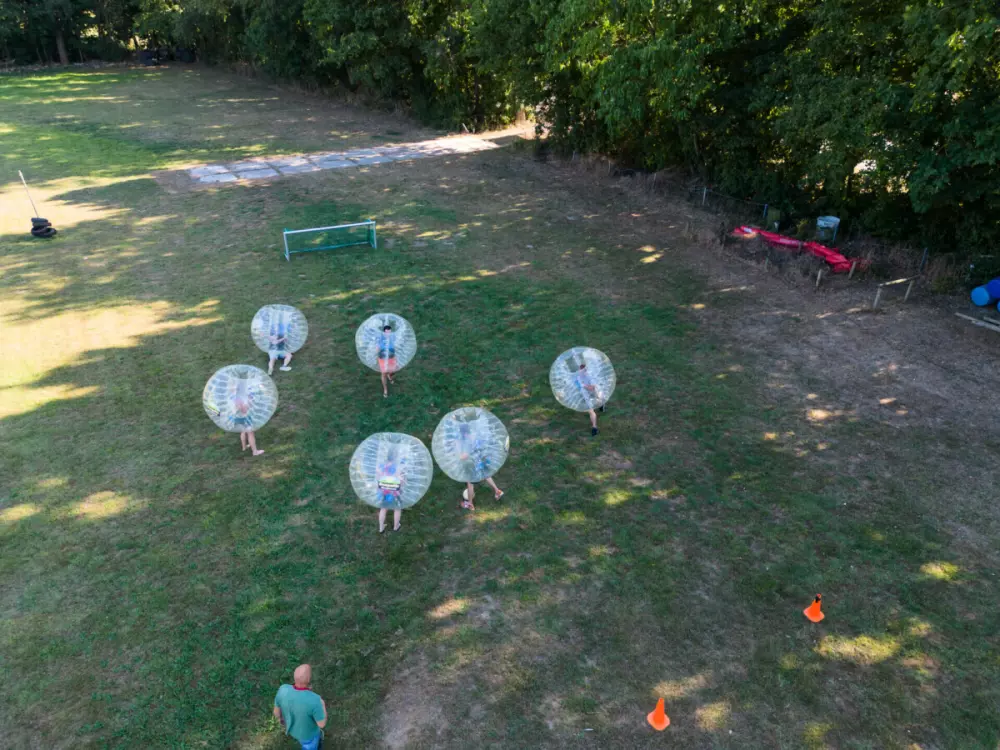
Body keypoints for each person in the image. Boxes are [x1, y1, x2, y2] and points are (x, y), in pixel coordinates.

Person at [273, 664, 327, 750]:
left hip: (292, 730)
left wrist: (281, 720)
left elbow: (276, 713)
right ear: (309, 679)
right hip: (308, 735)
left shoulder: (283, 689)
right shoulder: (315, 700)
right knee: (309, 746)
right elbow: (322, 724)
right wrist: (322, 704)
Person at [456, 422, 503, 511]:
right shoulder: (474, 435)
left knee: (470, 484)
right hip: (482, 460)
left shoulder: (466, 442)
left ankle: (470, 504)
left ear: (464, 433)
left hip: (473, 465)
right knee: (486, 475)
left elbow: (463, 457)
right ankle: (497, 491)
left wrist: (458, 450)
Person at [376, 452, 406, 533]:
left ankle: (381, 528)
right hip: (395, 493)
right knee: (397, 509)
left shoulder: (381, 466)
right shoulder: (398, 468)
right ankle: (396, 526)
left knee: (383, 508)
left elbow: (378, 479)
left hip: (384, 492)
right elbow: (401, 482)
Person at [233, 382, 264, 456]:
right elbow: (243, 410)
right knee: (251, 433)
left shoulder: (234, 397)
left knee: (243, 431)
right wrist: (249, 403)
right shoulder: (241, 399)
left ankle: (244, 447)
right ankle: (255, 452)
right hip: (245, 418)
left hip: (237, 418)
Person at [575, 361, 605, 436]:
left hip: (595, 391)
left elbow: (592, 388)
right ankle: (594, 427)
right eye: (580, 370)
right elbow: (578, 386)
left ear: (585, 370)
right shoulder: (578, 377)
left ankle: (601, 404)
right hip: (585, 394)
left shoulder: (590, 376)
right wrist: (582, 386)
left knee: (599, 398)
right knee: (590, 410)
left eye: (582, 370)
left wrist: (584, 386)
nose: (580, 371)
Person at [377, 324, 397, 398]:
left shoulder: (393, 337)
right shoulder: (380, 339)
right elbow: (377, 349)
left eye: (389, 332)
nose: (388, 334)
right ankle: (385, 390)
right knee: (383, 373)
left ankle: (390, 375)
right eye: (387, 332)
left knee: (393, 371)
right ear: (384, 332)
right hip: (382, 358)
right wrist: (381, 352)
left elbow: (395, 346)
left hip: (391, 357)